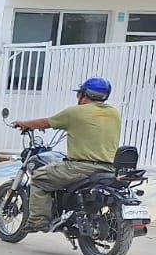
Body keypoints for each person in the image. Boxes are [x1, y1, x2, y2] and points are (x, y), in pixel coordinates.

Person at [10, 78, 123, 232]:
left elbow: (45, 123)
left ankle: (38, 222)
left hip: (81, 167)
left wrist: (23, 123)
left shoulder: (75, 112)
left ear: (85, 95)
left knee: (39, 178)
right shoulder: (114, 113)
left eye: (79, 94)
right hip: (109, 169)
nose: (77, 97)